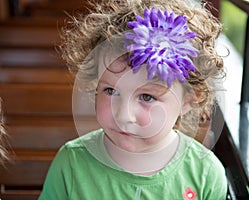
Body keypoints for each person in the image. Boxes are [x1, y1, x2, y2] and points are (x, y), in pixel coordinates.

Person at [39, 0, 228, 199]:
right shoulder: (70, 164)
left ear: (188, 101)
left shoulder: (205, 174)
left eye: (147, 97)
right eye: (111, 91)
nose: (123, 115)